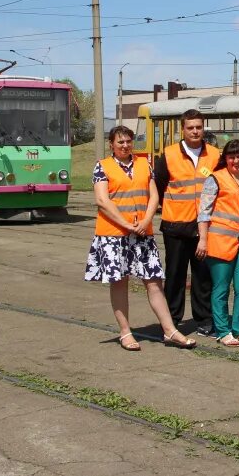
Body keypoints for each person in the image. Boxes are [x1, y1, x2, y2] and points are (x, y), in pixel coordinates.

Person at [84, 126, 196, 351]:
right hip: (114, 235)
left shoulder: (144, 164)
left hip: (142, 233)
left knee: (154, 282)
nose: (125, 146)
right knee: (119, 283)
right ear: (111, 144)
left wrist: (145, 222)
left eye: (128, 141)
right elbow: (102, 201)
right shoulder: (102, 167)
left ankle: (170, 330)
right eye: (120, 142)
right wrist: (126, 225)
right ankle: (125, 332)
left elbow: (154, 194)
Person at [154, 109, 221, 335]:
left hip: (204, 227)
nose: (195, 131)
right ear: (183, 129)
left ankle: (204, 320)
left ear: (204, 128)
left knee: (203, 277)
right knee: (175, 276)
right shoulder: (169, 154)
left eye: (198, 127)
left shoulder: (214, 155)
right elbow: (159, 185)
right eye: (190, 127)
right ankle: (172, 320)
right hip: (176, 226)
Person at [196, 139, 239, 347]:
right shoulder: (215, 179)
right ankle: (223, 330)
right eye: (231, 156)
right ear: (225, 159)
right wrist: (203, 240)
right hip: (220, 242)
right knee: (221, 288)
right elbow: (203, 213)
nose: (236, 160)